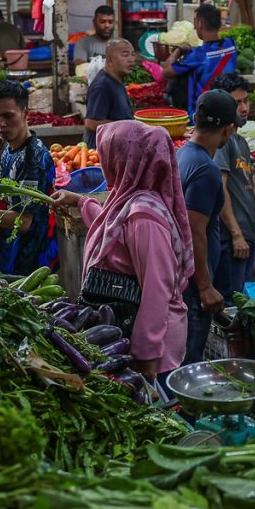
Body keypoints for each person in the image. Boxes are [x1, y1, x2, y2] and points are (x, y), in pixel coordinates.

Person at [52, 121, 194, 381]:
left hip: (154, 351)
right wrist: (80, 201)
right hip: (133, 333)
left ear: (123, 160)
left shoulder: (144, 216)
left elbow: (156, 290)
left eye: (108, 154)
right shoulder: (130, 199)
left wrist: (147, 355)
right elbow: (114, 230)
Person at [0, 81, 57, 275]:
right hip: (10, 251)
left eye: (8, 116)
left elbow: (24, 222)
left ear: (25, 113)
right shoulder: (9, 147)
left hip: (32, 260)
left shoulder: (35, 158)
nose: (0, 124)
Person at [178, 90, 244, 364]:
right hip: (193, 288)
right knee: (188, 362)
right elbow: (195, 230)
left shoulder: (184, 155)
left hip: (183, 278)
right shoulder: (206, 169)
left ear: (195, 118)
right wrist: (205, 286)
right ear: (229, 130)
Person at [210, 74, 255, 298]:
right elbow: (220, 188)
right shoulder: (223, 142)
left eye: (246, 101)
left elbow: (252, 182)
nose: (244, 108)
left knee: (241, 300)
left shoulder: (240, 141)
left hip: (246, 236)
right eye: (237, 103)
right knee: (230, 304)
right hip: (229, 241)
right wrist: (235, 235)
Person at [162, 3, 238, 117]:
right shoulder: (231, 44)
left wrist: (178, 50)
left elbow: (167, 71)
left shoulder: (198, 55)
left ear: (200, 23)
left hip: (202, 115)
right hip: (227, 110)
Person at [83, 38, 136, 148]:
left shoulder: (117, 79)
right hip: (102, 153)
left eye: (132, 55)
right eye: (125, 55)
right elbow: (91, 123)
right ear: (110, 60)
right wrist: (127, 126)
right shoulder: (102, 86)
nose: (131, 60)